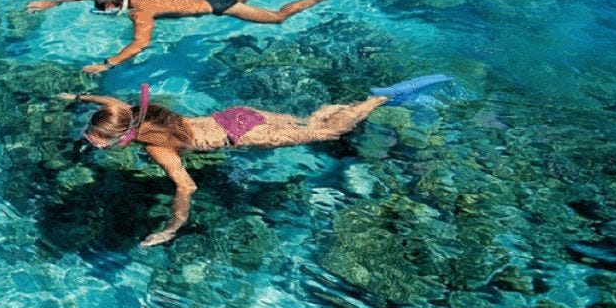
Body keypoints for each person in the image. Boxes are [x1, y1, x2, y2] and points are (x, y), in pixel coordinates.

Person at [59, 83, 398, 247]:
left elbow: (187, 187)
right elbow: (106, 101)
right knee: (303, 125)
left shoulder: (157, 147)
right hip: (235, 114)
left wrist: (172, 227)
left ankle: (379, 98)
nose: (97, 144)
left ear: (124, 135)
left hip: (242, 133)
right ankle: (334, 108)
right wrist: (77, 98)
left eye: (101, 141)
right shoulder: (130, 111)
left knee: (331, 132)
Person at [26, 0, 327, 74]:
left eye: (105, 10)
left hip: (218, 6)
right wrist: (53, 2)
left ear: (117, 6)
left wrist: (107, 64)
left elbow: (141, 44)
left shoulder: (140, 12)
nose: (102, 10)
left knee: (277, 18)